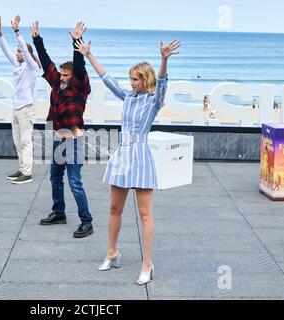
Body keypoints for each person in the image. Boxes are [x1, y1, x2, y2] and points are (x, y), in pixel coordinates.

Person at [75, 37, 180, 284]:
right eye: (131, 78)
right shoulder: (128, 97)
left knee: (145, 214)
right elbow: (106, 78)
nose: (131, 83)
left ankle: (147, 263)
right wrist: (89, 55)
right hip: (122, 154)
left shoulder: (154, 100)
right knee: (114, 209)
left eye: (136, 79)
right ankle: (112, 252)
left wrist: (163, 59)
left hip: (141, 155)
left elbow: (163, 82)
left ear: (145, 80)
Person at [31, 21, 93, 238]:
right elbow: (47, 63)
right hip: (59, 139)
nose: (62, 77)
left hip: (74, 139)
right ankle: (59, 212)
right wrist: (37, 40)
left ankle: (86, 221)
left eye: (67, 75)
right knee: (55, 177)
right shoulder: (58, 83)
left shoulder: (80, 86)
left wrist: (76, 42)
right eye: (62, 74)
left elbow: (80, 66)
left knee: (74, 181)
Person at [0, 15, 41, 184]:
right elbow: (6, 49)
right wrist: (0, 33)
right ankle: (22, 169)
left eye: (19, 51)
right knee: (17, 141)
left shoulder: (31, 67)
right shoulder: (17, 65)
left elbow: (23, 45)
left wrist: (16, 31)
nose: (16, 53)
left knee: (25, 141)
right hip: (16, 108)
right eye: (16, 51)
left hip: (26, 109)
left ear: (27, 54)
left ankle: (27, 173)